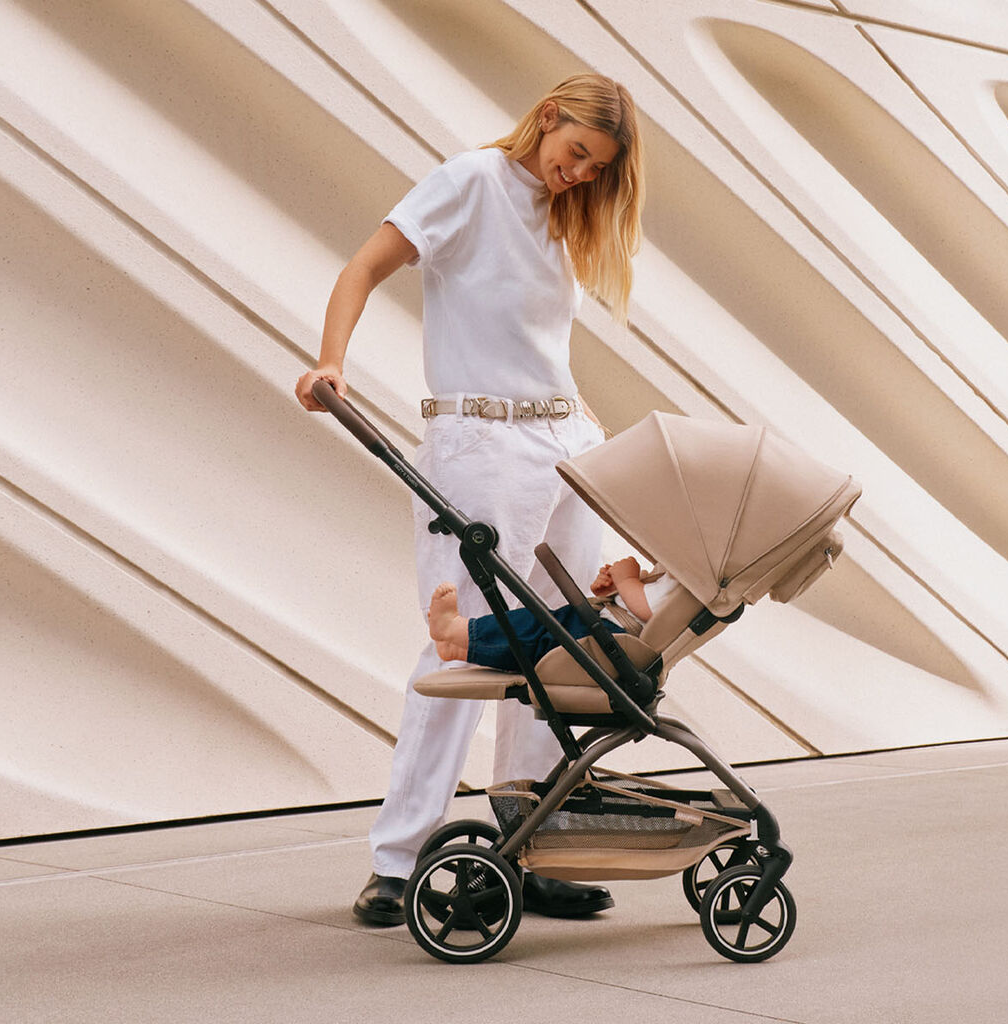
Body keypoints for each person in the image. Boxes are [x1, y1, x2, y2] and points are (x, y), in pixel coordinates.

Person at [295, 73, 644, 927]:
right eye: (575, 155)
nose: (578, 176)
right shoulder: (470, 182)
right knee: (465, 648)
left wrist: (594, 442)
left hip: (565, 442)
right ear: (549, 116)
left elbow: (540, 353)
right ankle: (398, 861)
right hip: (481, 446)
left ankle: (533, 839)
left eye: (594, 170)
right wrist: (330, 360)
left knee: (563, 642)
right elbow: (363, 267)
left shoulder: (560, 220)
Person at [427, 556, 668, 670]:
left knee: (535, 630)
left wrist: (626, 578)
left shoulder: (692, 580)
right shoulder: (678, 570)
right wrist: (614, 589)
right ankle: (462, 647)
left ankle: (455, 629)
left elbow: (650, 611)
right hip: (608, 632)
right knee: (539, 642)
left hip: (611, 641)